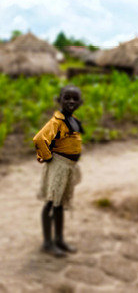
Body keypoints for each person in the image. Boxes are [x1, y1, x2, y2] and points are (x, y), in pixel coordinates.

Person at [33, 85, 84, 257]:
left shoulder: (73, 120)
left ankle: (59, 238)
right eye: (67, 97)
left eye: (75, 99)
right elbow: (40, 139)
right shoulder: (57, 122)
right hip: (58, 167)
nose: (71, 101)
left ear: (80, 103)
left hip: (67, 167)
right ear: (59, 100)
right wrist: (47, 157)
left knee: (59, 204)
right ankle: (48, 242)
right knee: (50, 203)